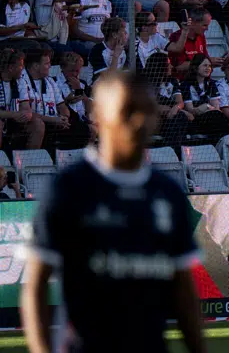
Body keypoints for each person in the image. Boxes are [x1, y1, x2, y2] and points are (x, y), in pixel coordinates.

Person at [20, 72, 206, 353]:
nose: (140, 121)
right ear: (99, 115)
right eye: (128, 111)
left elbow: (182, 289)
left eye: (147, 111)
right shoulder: (69, 189)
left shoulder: (168, 193)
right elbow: (36, 286)